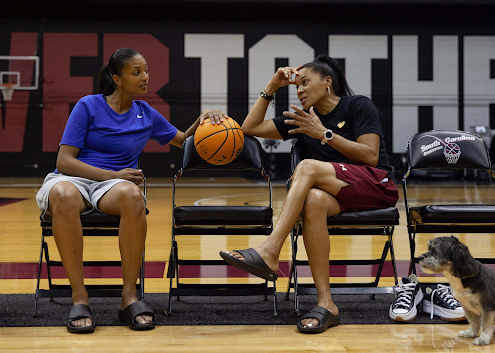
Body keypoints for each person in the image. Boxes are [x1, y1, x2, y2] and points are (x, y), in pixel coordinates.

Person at [36, 48, 225, 333]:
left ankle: (129, 298)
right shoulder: (88, 105)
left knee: (133, 196)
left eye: (146, 70)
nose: (145, 77)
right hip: (73, 178)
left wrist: (204, 123)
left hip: (112, 186)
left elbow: (185, 141)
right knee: (63, 195)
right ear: (117, 79)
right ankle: (79, 298)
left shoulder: (145, 113)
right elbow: (65, 161)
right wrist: (113, 174)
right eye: (137, 72)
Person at [220, 55, 399, 333]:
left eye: (305, 83)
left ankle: (270, 250)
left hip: (377, 185)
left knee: (307, 168)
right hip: (340, 192)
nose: (300, 90)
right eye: (296, 86)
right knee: (313, 200)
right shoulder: (302, 120)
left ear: (327, 82)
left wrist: (323, 134)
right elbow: (248, 128)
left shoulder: (357, 105)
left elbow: (371, 156)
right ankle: (326, 303)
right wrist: (273, 85)